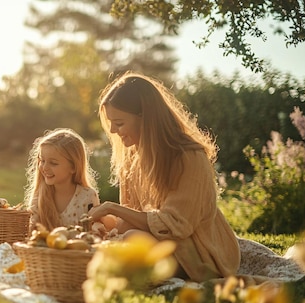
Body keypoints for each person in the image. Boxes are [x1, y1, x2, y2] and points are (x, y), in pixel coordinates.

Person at [87, 71, 241, 282]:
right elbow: (133, 218)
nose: (113, 130)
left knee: (130, 241)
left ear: (146, 118)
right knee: (104, 235)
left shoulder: (189, 157)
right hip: (161, 245)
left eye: (120, 123)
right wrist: (106, 231)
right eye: (112, 123)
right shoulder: (133, 158)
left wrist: (112, 208)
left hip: (199, 254)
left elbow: (176, 226)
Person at [24, 128, 100, 231]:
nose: (44, 167)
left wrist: (97, 227)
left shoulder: (88, 196)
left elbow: (95, 228)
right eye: (42, 160)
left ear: (73, 167)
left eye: (53, 163)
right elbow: (29, 230)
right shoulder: (40, 196)